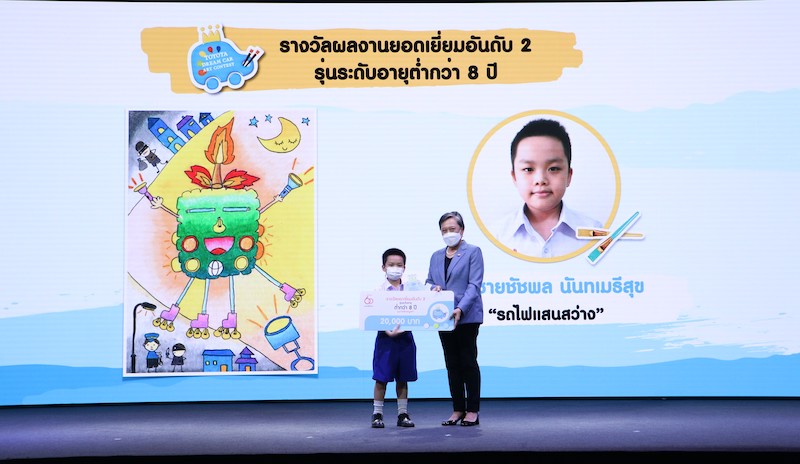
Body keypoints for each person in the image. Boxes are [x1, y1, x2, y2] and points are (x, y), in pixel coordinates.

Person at [491, 118, 602, 258]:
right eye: (528, 169)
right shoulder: (497, 235)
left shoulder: (594, 232)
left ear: (569, 175)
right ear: (514, 177)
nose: (540, 180)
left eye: (553, 168)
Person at [426, 211, 484, 427]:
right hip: (443, 317)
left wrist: (460, 308)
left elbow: (474, 285)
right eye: (444, 230)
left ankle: (472, 410)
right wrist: (433, 288)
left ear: (462, 230)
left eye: (452, 229)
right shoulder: (436, 256)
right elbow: (429, 281)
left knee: (468, 362)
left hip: (466, 316)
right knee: (451, 364)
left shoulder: (473, 252)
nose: (448, 233)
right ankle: (458, 409)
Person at [371, 248, 417, 428]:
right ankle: (377, 414)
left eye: (399, 265)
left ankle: (402, 414)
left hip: (406, 339)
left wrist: (436, 292)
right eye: (391, 264)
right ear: (383, 267)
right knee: (381, 378)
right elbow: (373, 315)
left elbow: (423, 308)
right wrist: (388, 331)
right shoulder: (377, 291)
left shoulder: (413, 290)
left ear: (404, 267)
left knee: (403, 378)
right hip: (385, 339)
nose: (395, 268)